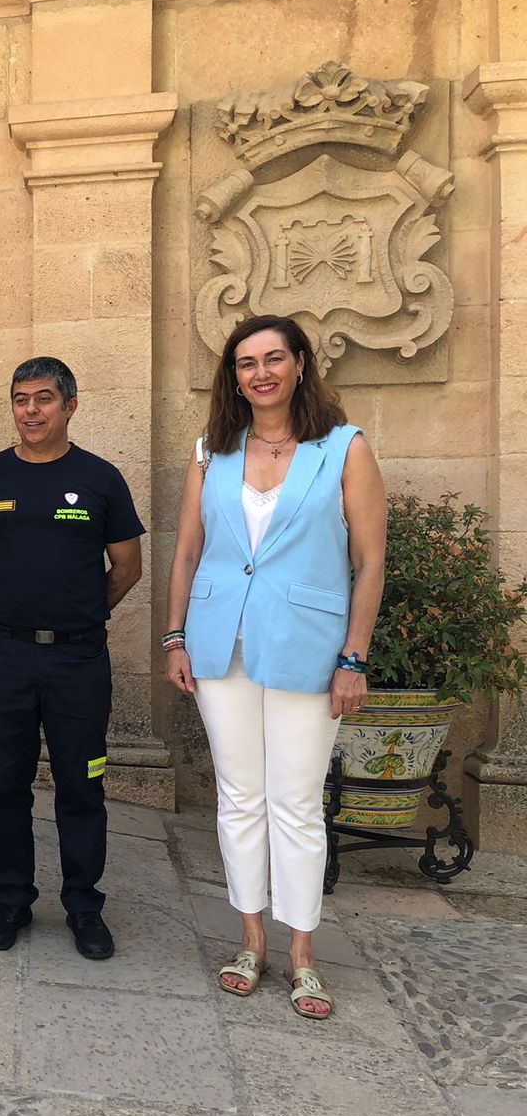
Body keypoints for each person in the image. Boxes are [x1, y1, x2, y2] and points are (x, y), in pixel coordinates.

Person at [165, 314, 385, 1020]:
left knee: (295, 802)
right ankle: (251, 940)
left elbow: (370, 560)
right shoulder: (212, 450)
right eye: (244, 362)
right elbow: (188, 550)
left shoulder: (343, 448)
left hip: (309, 649)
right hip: (220, 643)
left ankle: (303, 954)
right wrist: (174, 637)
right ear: (234, 377)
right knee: (240, 796)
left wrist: (355, 657)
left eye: (272, 359)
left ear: (299, 365)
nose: (259, 373)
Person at [0, 356, 143, 960]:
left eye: (44, 400)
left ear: (70, 406)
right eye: (21, 399)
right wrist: (0, 619)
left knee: (82, 785)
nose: (31, 411)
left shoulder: (102, 479)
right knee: (4, 782)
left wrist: (78, 615)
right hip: (3, 656)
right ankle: (11, 900)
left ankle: (84, 905)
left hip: (78, 661)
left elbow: (127, 567)